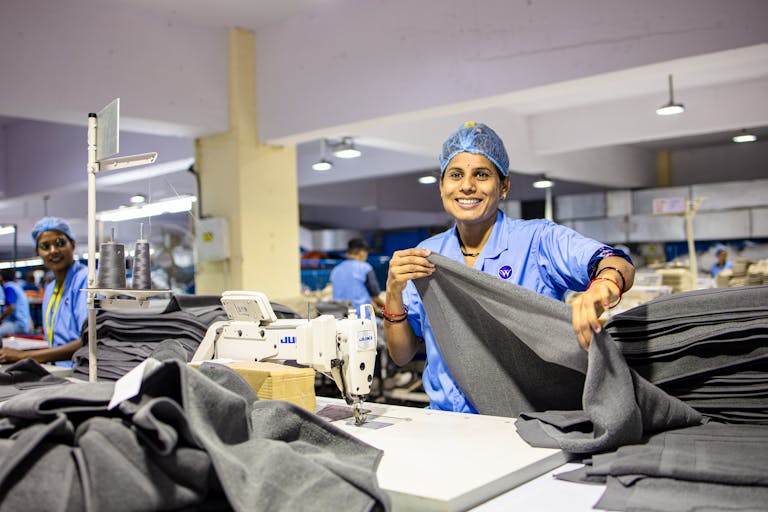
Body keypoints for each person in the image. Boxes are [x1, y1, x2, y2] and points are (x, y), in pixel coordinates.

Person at [384, 122, 635, 413]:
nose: (467, 185)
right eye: (455, 175)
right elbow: (402, 355)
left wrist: (603, 287)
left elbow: (616, 262)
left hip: (527, 422)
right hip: (447, 422)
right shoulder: (427, 255)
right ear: (441, 186)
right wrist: (393, 292)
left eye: (481, 174)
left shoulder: (538, 241)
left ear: (504, 186)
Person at [0, 217, 88, 366]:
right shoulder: (50, 289)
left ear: (72, 244)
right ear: (38, 252)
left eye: (60, 243)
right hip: (60, 369)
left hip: (83, 371)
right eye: (45, 246)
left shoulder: (86, 281)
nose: (53, 251)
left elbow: (90, 341)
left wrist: (24, 356)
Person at [330, 238, 385, 316]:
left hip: (340, 318)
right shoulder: (365, 268)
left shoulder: (335, 270)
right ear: (362, 253)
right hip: (361, 319)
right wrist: (389, 309)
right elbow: (375, 297)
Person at [0, 269, 32, 337]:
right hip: (25, 324)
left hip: (18, 324)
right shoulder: (16, 286)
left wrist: (1, 319)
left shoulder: (9, 287)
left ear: (1, 277)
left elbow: (11, 307)